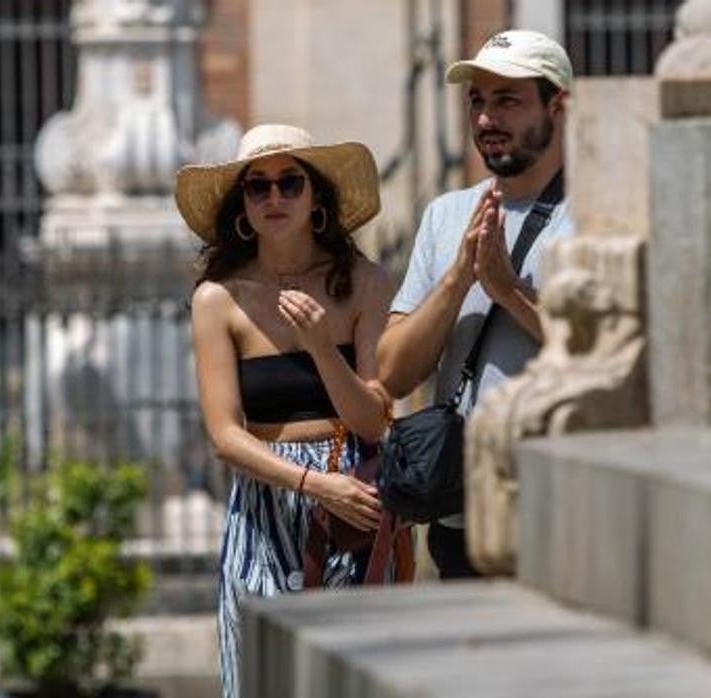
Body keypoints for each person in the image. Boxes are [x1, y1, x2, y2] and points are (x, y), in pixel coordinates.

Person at [176, 123, 395, 698]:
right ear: (242, 206)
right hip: (265, 503)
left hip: (354, 499)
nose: (274, 197)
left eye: (290, 183)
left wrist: (324, 348)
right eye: (258, 187)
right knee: (256, 679)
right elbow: (224, 434)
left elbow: (375, 418)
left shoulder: (366, 283)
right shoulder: (217, 299)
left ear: (316, 197)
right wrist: (311, 483)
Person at [377, 29, 576, 579]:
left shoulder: (595, 215)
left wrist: (506, 289)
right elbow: (392, 371)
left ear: (558, 107)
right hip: (459, 519)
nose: (486, 118)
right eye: (477, 102)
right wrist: (459, 278)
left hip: (558, 509)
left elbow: (605, 360)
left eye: (508, 100)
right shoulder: (446, 215)